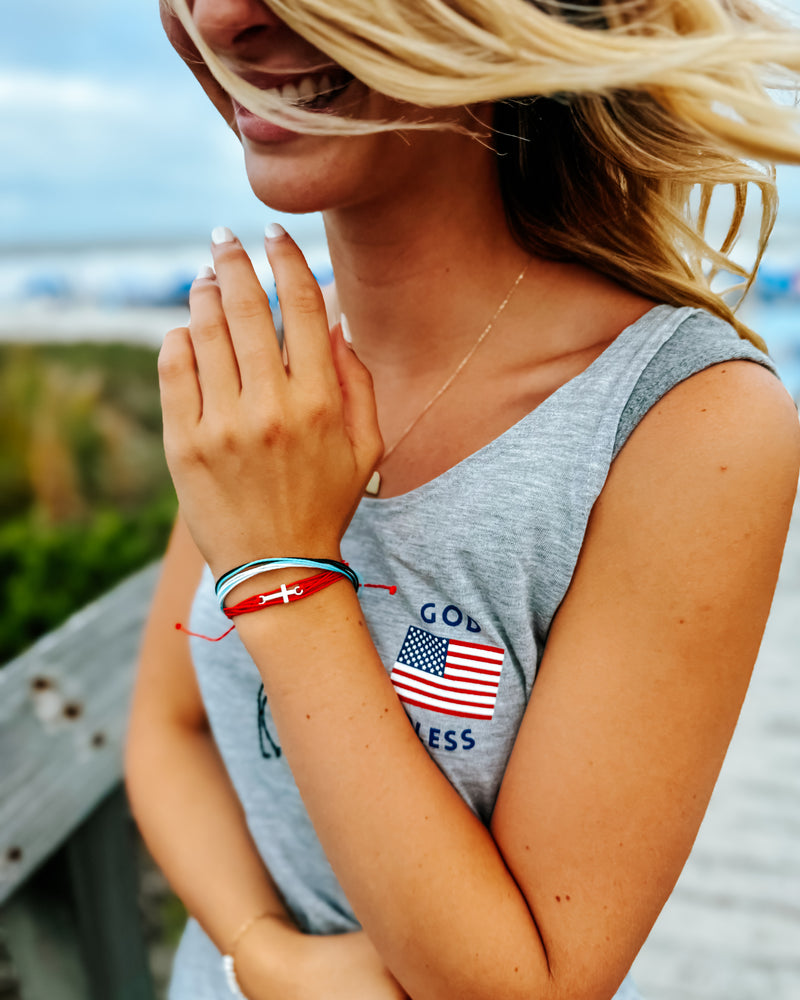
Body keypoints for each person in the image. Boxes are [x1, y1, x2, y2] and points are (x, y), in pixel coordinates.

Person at [125, 2, 800, 998]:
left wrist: (288, 577)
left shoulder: (684, 420)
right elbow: (165, 729)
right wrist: (263, 956)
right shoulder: (279, 385)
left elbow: (529, 983)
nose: (224, 15)